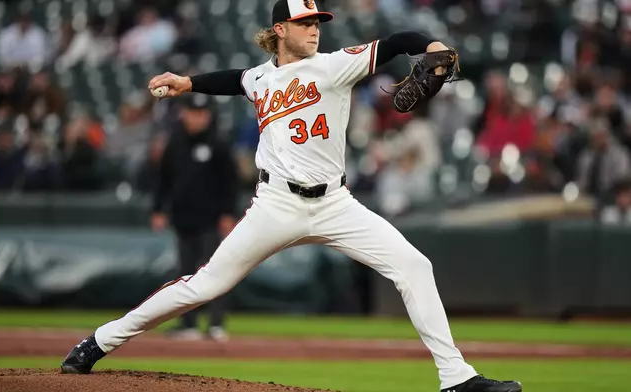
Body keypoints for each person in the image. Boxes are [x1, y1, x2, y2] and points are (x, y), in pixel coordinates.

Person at [61, 1, 522, 391]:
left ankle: (456, 378)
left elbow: (401, 38)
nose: (315, 30)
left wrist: (434, 48)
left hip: (336, 204)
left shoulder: (334, 64)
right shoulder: (260, 79)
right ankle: (98, 342)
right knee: (204, 286)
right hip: (276, 205)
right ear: (280, 29)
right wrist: (188, 83)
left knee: (414, 266)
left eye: (318, 22)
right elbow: (235, 78)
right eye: (306, 23)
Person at [150, 94, 237, 341]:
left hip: (211, 219)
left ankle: (216, 323)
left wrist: (228, 213)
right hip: (183, 218)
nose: (197, 118)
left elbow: (230, 183)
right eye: (193, 112)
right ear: (183, 114)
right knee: (185, 273)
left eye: (201, 113)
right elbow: (163, 179)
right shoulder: (175, 143)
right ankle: (187, 323)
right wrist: (158, 209)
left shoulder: (218, 144)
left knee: (215, 271)